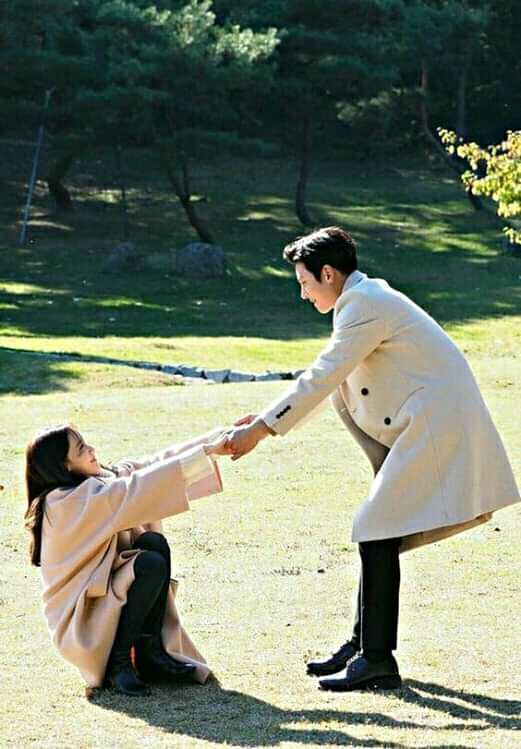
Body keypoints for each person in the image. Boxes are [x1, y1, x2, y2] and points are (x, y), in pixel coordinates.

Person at [227, 226, 520, 692]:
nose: (303, 294)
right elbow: (329, 380)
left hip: (434, 425)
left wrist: (261, 430)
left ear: (328, 273)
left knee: (375, 529)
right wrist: (262, 420)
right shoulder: (361, 301)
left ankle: (376, 659)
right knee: (376, 531)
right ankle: (364, 646)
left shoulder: (364, 305)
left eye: (304, 282)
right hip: (425, 423)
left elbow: (321, 376)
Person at [24, 423, 230, 696]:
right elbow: (137, 488)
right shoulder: (66, 502)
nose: (92, 451)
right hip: (82, 615)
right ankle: (117, 666)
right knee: (148, 563)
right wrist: (207, 450)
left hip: (103, 595)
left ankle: (150, 654)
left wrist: (218, 440)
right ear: (66, 466)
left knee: (153, 545)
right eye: (82, 449)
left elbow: (150, 467)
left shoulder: (97, 483)